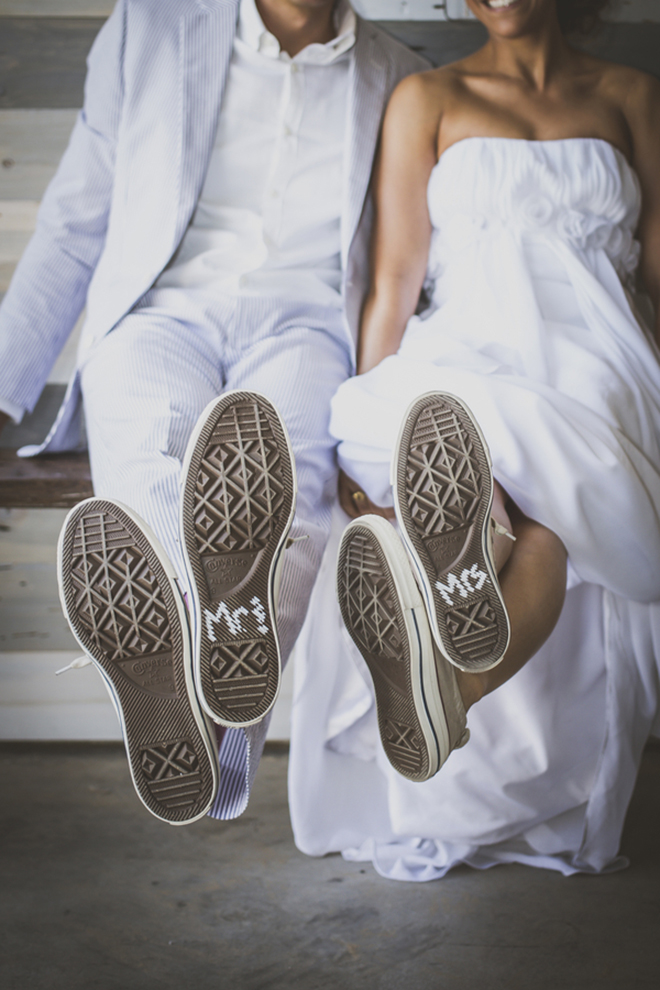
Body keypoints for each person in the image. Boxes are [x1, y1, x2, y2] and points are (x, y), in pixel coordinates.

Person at [0, 0, 428, 824]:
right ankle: (201, 704)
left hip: (306, 324)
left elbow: (409, 263)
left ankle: (199, 705)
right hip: (160, 312)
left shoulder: (399, 74)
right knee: (147, 457)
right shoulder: (150, 28)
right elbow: (76, 216)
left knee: (290, 478)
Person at [289, 0, 660, 881]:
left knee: (546, 490)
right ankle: (446, 683)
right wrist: (356, 425)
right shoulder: (428, 97)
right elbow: (395, 279)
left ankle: (443, 688)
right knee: (472, 461)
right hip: (463, 346)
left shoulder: (634, 97)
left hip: (592, 356)